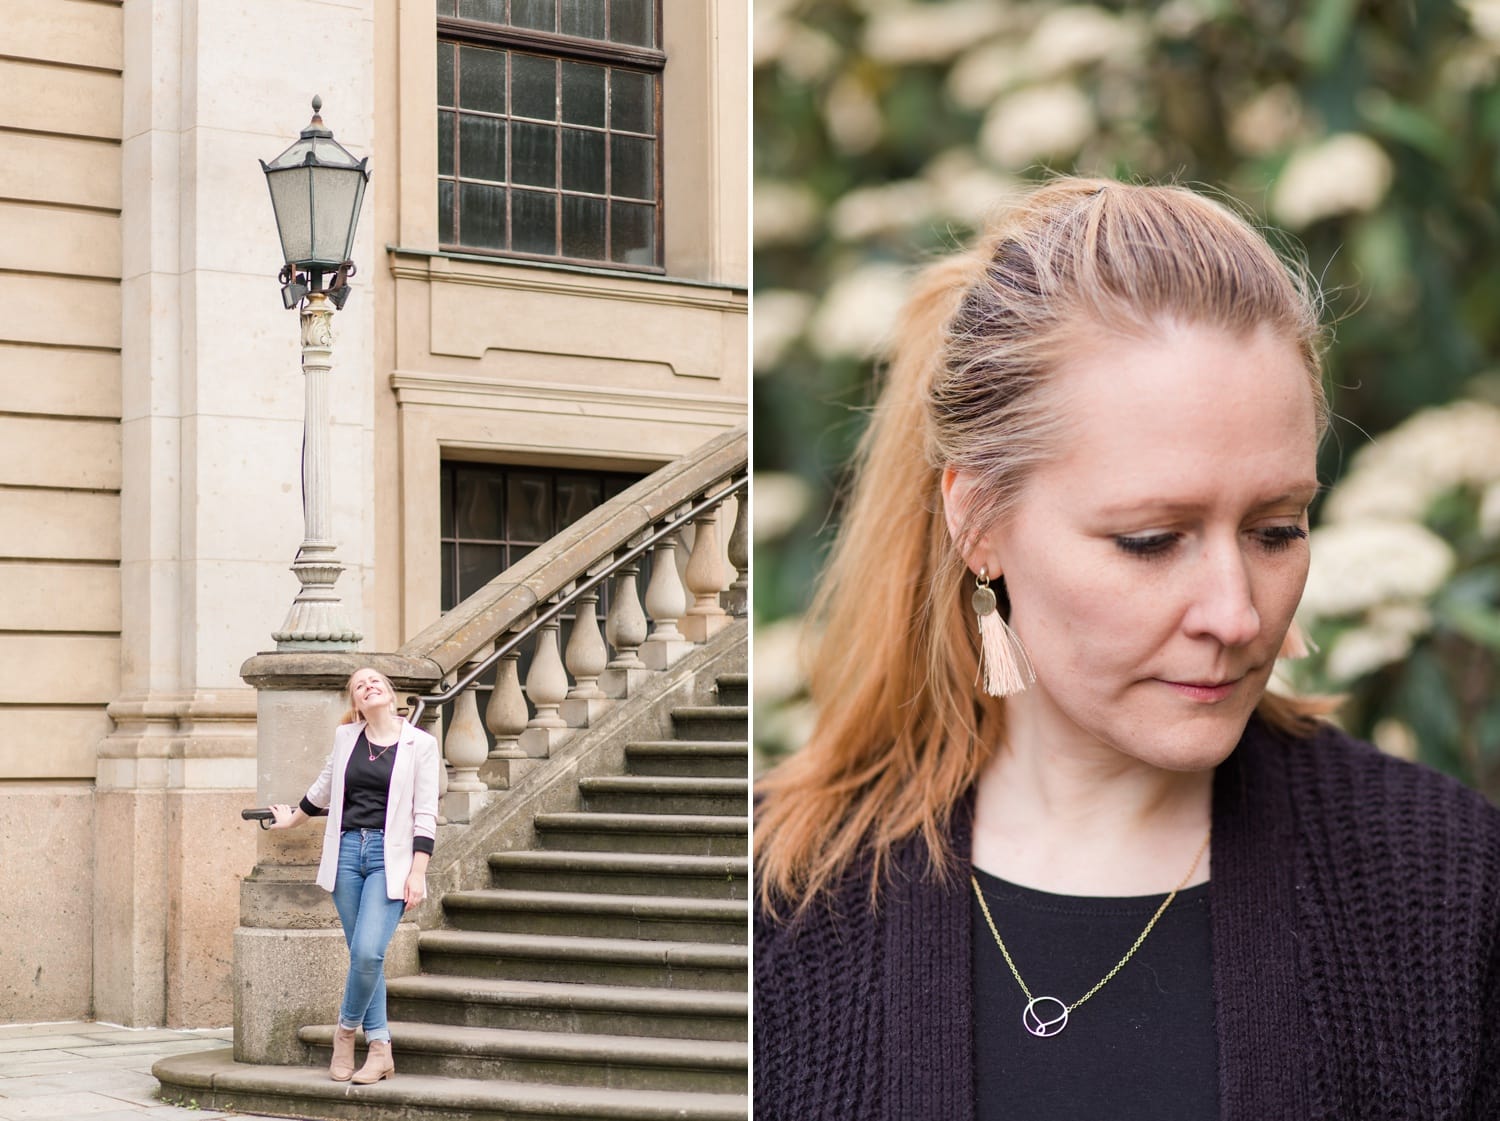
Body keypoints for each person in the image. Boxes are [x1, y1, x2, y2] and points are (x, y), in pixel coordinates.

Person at [753, 178, 1500, 1119]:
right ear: (977, 520)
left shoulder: (1442, 887)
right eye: (1151, 540)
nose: (1235, 615)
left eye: (1276, 529)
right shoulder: (777, 903)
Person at [268, 666, 441, 1084]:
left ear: (389, 691)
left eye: (375, 680)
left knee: (367, 953)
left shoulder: (421, 744)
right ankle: (380, 1048)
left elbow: (425, 814)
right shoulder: (347, 738)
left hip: (390, 858)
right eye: (359, 685)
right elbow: (325, 785)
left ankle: (345, 1032)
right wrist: (293, 819)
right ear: (356, 702)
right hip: (347, 852)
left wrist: (418, 873)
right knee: (367, 959)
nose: (368, 685)